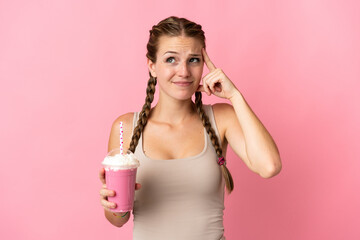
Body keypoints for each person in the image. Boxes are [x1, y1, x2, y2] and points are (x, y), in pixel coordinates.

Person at [99, 16, 282, 240]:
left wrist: (235, 95)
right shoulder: (125, 127)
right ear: (152, 66)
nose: (184, 71)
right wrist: (112, 202)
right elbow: (119, 219)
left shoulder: (222, 118)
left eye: (194, 60)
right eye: (171, 60)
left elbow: (269, 166)